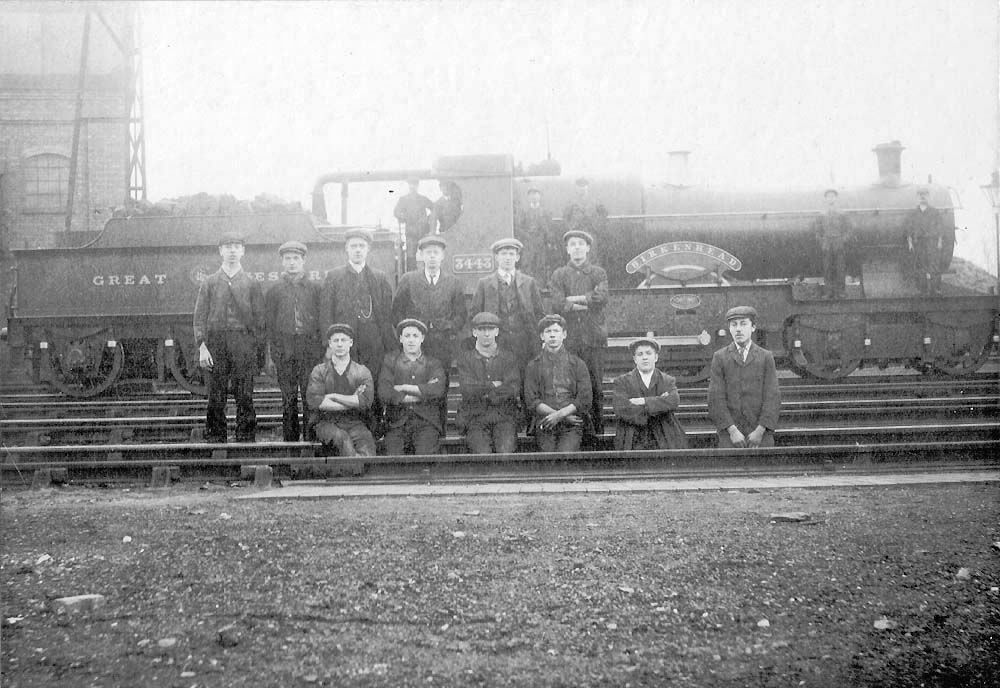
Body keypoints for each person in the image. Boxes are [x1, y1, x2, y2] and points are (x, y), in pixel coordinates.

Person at [320, 227, 397, 433]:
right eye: (353, 246)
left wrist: (390, 346)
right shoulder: (334, 277)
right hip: (344, 345)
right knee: (346, 383)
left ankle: (374, 428)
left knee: (372, 383)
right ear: (346, 249)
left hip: (373, 343)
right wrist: (328, 345)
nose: (357, 250)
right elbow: (326, 314)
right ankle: (349, 427)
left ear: (368, 249)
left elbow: (386, 315)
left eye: (361, 246)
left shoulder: (379, 278)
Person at [193, 232, 265, 443]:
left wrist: (256, 348)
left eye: (236, 246)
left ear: (242, 251)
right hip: (216, 342)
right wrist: (202, 346)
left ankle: (246, 437)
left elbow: (260, 320)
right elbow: (200, 317)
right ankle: (215, 437)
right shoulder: (210, 282)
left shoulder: (251, 283)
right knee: (216, 394)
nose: (232, 250)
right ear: (220, 251)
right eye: (228, 246)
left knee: (245, 394)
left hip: (243, 342)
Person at [392, 234, 466, 427]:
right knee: (412, 383)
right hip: (414, 346)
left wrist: (446, 326)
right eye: (428, 253)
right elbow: (396, 312)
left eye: (436, 253)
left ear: (442, 256)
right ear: (421, 256)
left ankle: (438, 429)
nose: (432, 256)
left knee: (439, 387)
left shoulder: (454, 283)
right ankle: (410, 427)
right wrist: (410, 330)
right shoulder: (409, 280)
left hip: (442, 346)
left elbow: (461, 316)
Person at [548, 229, 608, 437]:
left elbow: (601, 297)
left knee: (595, 386)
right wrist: (584, 301)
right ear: (567, 249)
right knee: (570, 386)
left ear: (588, 248)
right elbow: (556, 302)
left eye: (581, 244)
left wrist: (571, 301)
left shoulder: (598, 273)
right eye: (572, 244)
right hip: (570, 340)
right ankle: (574, 431)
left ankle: (597, 432)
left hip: (593, 338)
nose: (577, 247)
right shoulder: (559, 274)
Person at [264, 240, 324, 441]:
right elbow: (269, 326)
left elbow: (322, 322)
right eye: (287, 259)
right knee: (288, 398)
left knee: (310, 396)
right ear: (282, 262)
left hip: (310, 350)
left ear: (303, 260)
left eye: (295, 258)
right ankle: (290, 441)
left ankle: (310, 439)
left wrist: (323, 350)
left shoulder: (315, 289)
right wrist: (271, 355)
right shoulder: (274, 291)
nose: (292, 263)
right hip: (284, 350)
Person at [707, 306, 781, 448]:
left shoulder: (766, 357)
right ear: (729, 328)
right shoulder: (720, 357)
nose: (738, 329)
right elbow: (715, 399)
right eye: (734, 325)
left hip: (761, 436)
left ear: (753, 327)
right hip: (730, 437)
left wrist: (760, 431)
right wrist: (732, 430)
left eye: (743, 324)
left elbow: (772, 397)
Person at [470, 237, 546, 370]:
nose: (508, 258)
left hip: (525, 342)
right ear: (496, 257)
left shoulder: (529, 282)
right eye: (503, 254)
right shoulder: (484, 284)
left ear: (517, 257)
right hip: (498, 342)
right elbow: (475, 315)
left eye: (511, 254)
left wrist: (540, 339)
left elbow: (539, 313)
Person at [523, 314, 592, 452]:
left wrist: (560, 416)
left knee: (565, 455)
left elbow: (585, 398)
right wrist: (558, 416)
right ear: (542, 336)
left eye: (556, 331)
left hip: (572, 423)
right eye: (548, 332)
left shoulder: (578, 364)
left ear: (564, 334)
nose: (552, 335)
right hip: (545, 422)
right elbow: (532, 400)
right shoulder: (533, 366)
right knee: (547, 456)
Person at [455, 311, 522, 454]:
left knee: (506, 453)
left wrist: (484, 391)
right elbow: (467, 389)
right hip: (475, 418)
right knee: (482, 455)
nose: (486, 334)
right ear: (474, 332)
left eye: (490, 329)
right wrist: (493, 385)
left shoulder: (508, 358)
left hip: (504, 417)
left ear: (497, 331)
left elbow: (512, 388)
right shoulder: (465, 359)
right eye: (481, 329)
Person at [378, 319, 447, 455]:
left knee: (424, 459)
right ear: (401, 338)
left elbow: (437, 390)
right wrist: (422, 393)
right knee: (393, 461)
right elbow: (384, 392)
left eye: (415, 336)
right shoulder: (390, 361)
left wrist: (403, 388)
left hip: (426, 423)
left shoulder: (433, 364)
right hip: (396, 423)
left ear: (422, 338)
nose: (411, 340)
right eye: (407, 336)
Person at [306, 324, 376, 457]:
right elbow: (316, 402)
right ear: (330, 344)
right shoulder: (319, 371)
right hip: (325, 423)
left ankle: (353, 472)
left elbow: (365, 401)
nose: (339, 344)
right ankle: (353, 474)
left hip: (354, 423)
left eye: (343, 340)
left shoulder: (361, 371)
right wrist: (351, 400)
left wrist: (333, 397)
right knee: (342, 440)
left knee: (367, 443)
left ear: (350, 343)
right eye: (335, 340)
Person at [612, 338, 688, 450]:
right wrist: (658, 404)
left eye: (648, 353)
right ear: (634, 359)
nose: (645, 357)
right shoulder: (622, 382)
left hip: (663, 433)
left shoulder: (667, 380)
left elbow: (673, 401)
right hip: (632, 434)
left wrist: (644, 401)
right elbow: (621, 408)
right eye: (640, 354)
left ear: (656, 357)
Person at [904, 187, 947, 295]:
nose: (922, 197)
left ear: (928, 197)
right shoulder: (913, 213)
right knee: (920, 265)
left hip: (932, 242)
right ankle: (922, 290)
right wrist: (910, 242)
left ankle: (935, 289)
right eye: (920, 195)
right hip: (918, 243)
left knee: (934, 265)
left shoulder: (935, 212)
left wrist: (940, 241)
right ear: (917, 198)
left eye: (925, 195)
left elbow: (940, 227)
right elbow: (909, 229)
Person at [811, 189, 853, 299]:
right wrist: (822, 241)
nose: (831, 198)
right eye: (828, 196)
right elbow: (817, 230)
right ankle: (828, 292)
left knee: (840, 268)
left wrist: (843, 240)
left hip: (838, 242)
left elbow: (849, 228)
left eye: (833, 196)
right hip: (827, 243)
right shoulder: (822, 214)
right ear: (826, 199)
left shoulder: (842, 213)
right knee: (827, 268)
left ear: (836, 198)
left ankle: (841, 292)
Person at [514, 188, 556, 278]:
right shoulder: (524, 212)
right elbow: (518, 228)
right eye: (531, 194)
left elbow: (550, 228)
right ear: (528, 197)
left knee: (541, 266)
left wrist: (547, 239)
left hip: (541, 244)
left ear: (540, 196)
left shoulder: (545, 212)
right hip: (528, 245)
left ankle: (540, 289)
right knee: (527, 266)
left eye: (536, 194)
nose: (534, 196)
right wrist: (527, 236)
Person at [394, 177, 434, 271]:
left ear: (417, 186)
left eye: (414, 184)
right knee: (411, 256)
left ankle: (427, 274)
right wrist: (405, 217)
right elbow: (396, 212)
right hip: (411, 233)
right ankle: (411, 276)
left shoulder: (423, 199)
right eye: (411, 184)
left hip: (423, 232)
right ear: (409, 186)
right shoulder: (403, 199)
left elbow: (434, 208)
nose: (413, 186)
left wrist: (427, 218)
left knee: (426, 253)